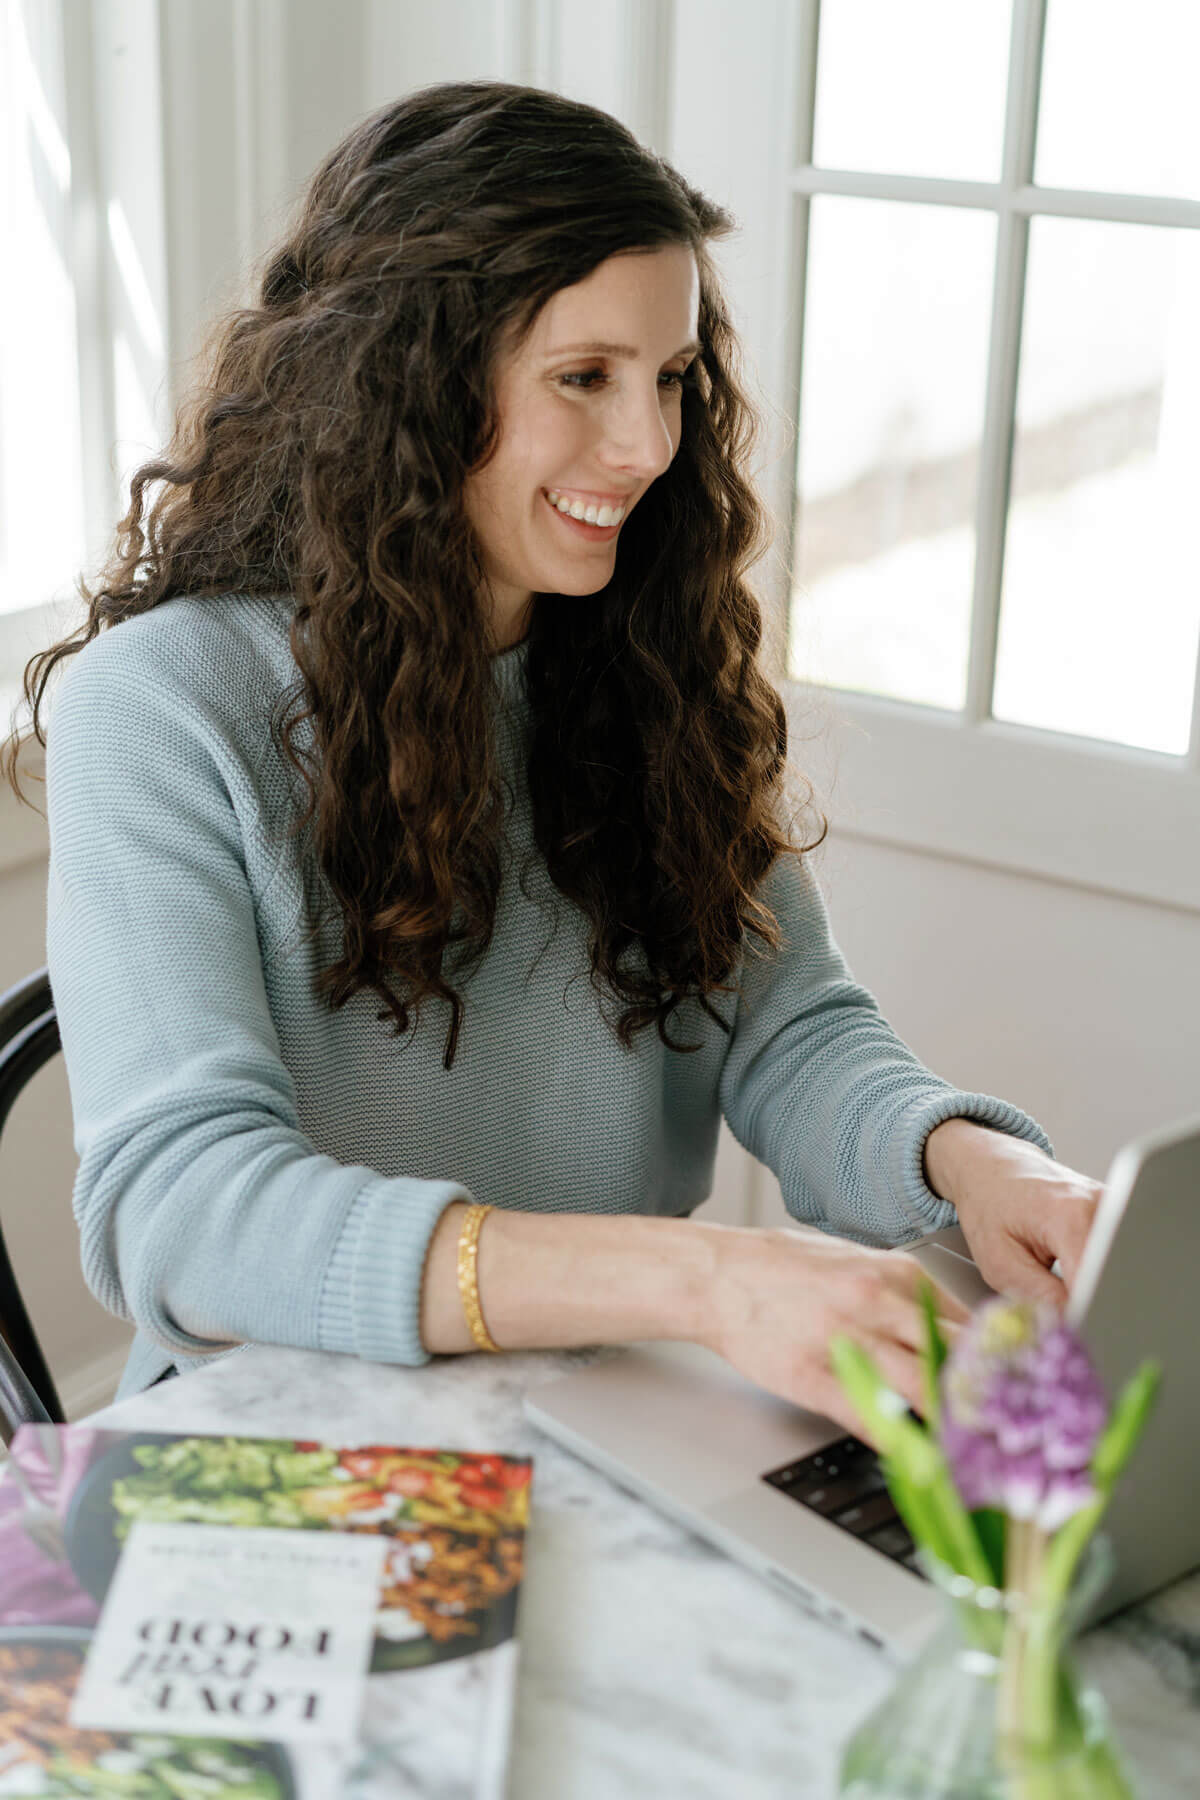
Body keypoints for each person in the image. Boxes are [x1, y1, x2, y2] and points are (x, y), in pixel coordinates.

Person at [3, 82, 1102, 1443]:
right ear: (406, 384)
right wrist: (702, 1281)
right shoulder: (162, 709)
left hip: (601, 1412)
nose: (647, 447)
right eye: (584, 378)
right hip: (285, 1448)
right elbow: (180, 1212)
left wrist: (968, 1160)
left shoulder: (641, 656)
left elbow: (786, 1024)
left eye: (671, 378)